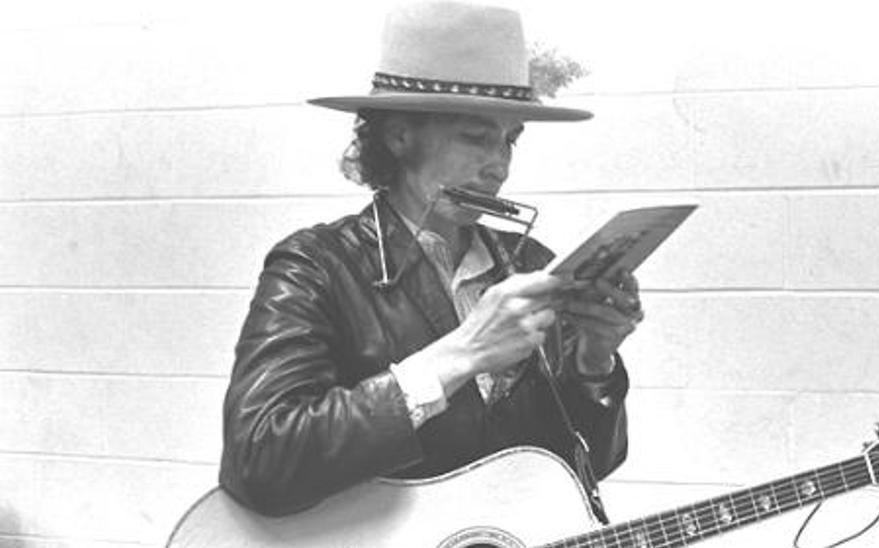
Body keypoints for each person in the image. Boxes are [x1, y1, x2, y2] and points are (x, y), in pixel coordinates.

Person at [217, 0, 639, 518]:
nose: (500, 166)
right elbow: (260, 460)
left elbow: (586, 466)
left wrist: (594, 361)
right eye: (477, 137)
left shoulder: (531, 266)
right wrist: (464, 352)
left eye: (510, 140)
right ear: (400, 135)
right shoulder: (316, 266)